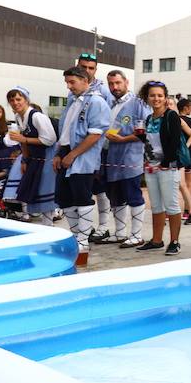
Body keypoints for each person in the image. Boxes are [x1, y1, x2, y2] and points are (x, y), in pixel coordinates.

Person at [54, 65, 113, 267]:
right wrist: (58, 153)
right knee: (64, 197)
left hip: (82, 157)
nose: (69, 87)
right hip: (66, 152)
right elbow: (64, 131)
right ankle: (76, 234)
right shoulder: (72, 102)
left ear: (85, 80)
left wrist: (72, 154)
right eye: (67, 83)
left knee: (82, 197)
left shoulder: (96, 102)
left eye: (72, 82)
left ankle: (83, 241)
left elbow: (95, 134)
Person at [133, 80, 191, 255]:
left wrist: (167, 163)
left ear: (165, 97)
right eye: (152, 95)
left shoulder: (171, 116)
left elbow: (174, 142)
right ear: (147, 97)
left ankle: (175, 242)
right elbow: (150, 142)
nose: (156, 98)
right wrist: (140, 136)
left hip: (168, 168)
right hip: (151, 167)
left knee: (171, 205)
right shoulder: (148, 118)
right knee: (156, 206)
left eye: (160, 95)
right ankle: (156, 240)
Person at [99, 71, 149, 248]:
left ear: (126, 82)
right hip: (111, 157)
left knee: (133, 195)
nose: (115, 87)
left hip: (130, 157)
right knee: (115, 196)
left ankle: (136, 235)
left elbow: (146, 132)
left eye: (118, 83)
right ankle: (120, 233)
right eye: (111, 84)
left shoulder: (138, 103)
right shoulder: (109, 103)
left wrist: (123, 139)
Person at [75, 52, 115, 241]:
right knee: (84, 189)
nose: (87, 71)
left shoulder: (103, 91)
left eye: (91, 68)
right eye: (84, 67)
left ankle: (104, 226)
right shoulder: (72, 88)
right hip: (79, 148)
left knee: (100, 188)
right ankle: (85, 228)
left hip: (99, 147)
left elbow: (109, 120)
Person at [2, 88, 59, 220]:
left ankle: (49, 225)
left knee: (45, 191)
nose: (15, 102)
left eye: (18, 99)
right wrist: (25, 160)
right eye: (12, 100)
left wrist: (24, 139)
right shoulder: (18, 117)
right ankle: (44, 224)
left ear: (26, 100)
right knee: (33, 190)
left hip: (47, 157)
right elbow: (23, 142)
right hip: (34, 157)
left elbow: (50, 139)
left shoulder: (37, 116)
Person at [177, 97, 191, 224]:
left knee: (180, 185)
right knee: (189, 184)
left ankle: (174, 212)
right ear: (186, 108)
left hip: (178, 157)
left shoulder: (173, 120)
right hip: (190, 156)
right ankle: (188, 211)